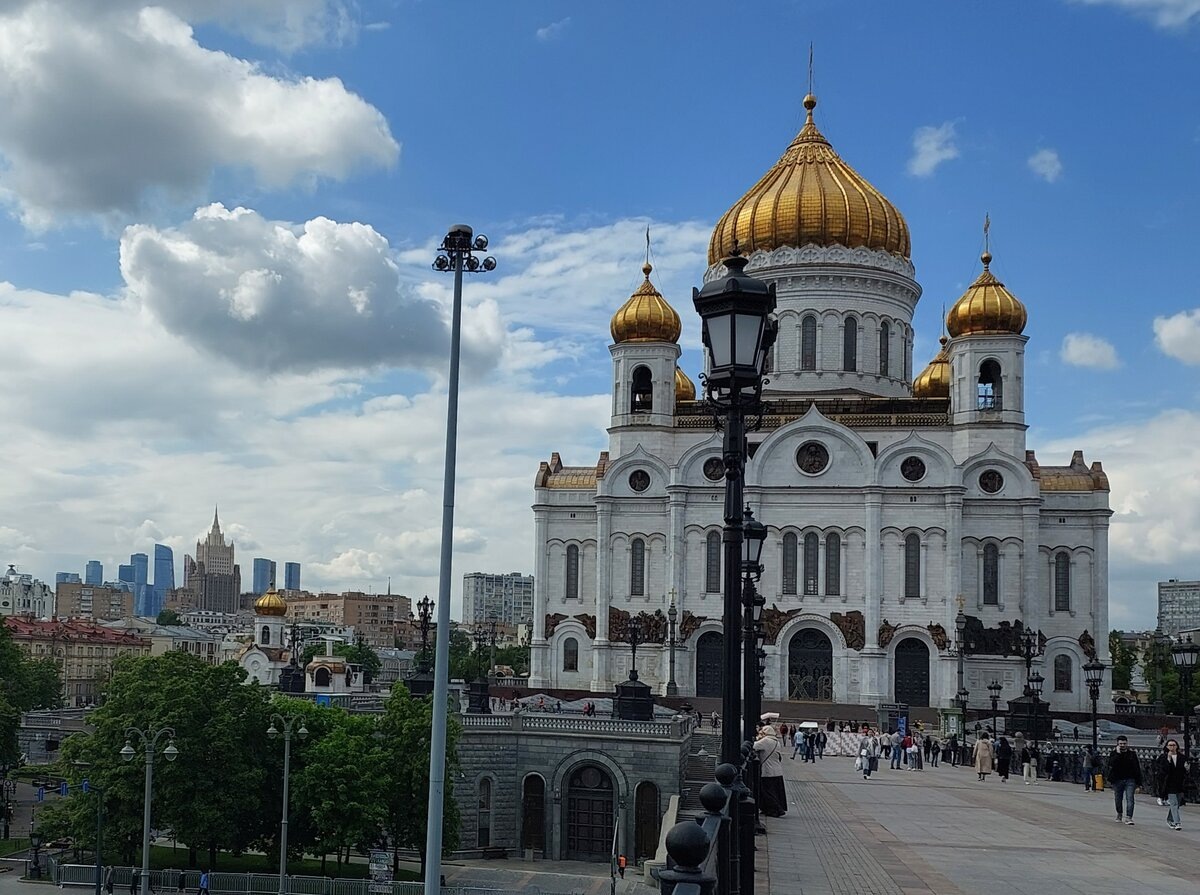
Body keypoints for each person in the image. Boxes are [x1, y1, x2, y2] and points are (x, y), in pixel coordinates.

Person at [1106, 734, 1142, 825]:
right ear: (1117, 744)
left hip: (1130, 779)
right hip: (1117, 779)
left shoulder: (1132, 754)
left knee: (1130, 798)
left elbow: (1137, 768)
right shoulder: (1114, 754)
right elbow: (1111, 764)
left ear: (1127, 744)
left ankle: (1129, 817)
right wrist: (1118, 754)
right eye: (1120, 744)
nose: (1122, 745)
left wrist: (1139, 782)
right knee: (1118, 798)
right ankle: (1119, 814)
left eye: (1124, 743)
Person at [1156, 738, 1189, 830]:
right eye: (1170, 745)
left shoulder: (1182, 757)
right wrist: (1168, 759)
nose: (1172, 747)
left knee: (1177, 803)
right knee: (1173, 803)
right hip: (1169, 783)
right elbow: (1162, 771)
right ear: (1166, 747)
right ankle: (1177, 822)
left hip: (1179, 783)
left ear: (1177, 746)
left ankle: (1170, 819)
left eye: (1174, 745)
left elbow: (1186, 771)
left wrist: (1187, 769)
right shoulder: (1163, 757)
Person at [754, 725, 787, 816]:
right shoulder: (776, 742)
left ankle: (777, 809)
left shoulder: (766, 741)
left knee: (767, 791)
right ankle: (768, 809)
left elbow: (754, 746)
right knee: (775, 792)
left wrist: (757, 738)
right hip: (777, 770)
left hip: (768, 770)